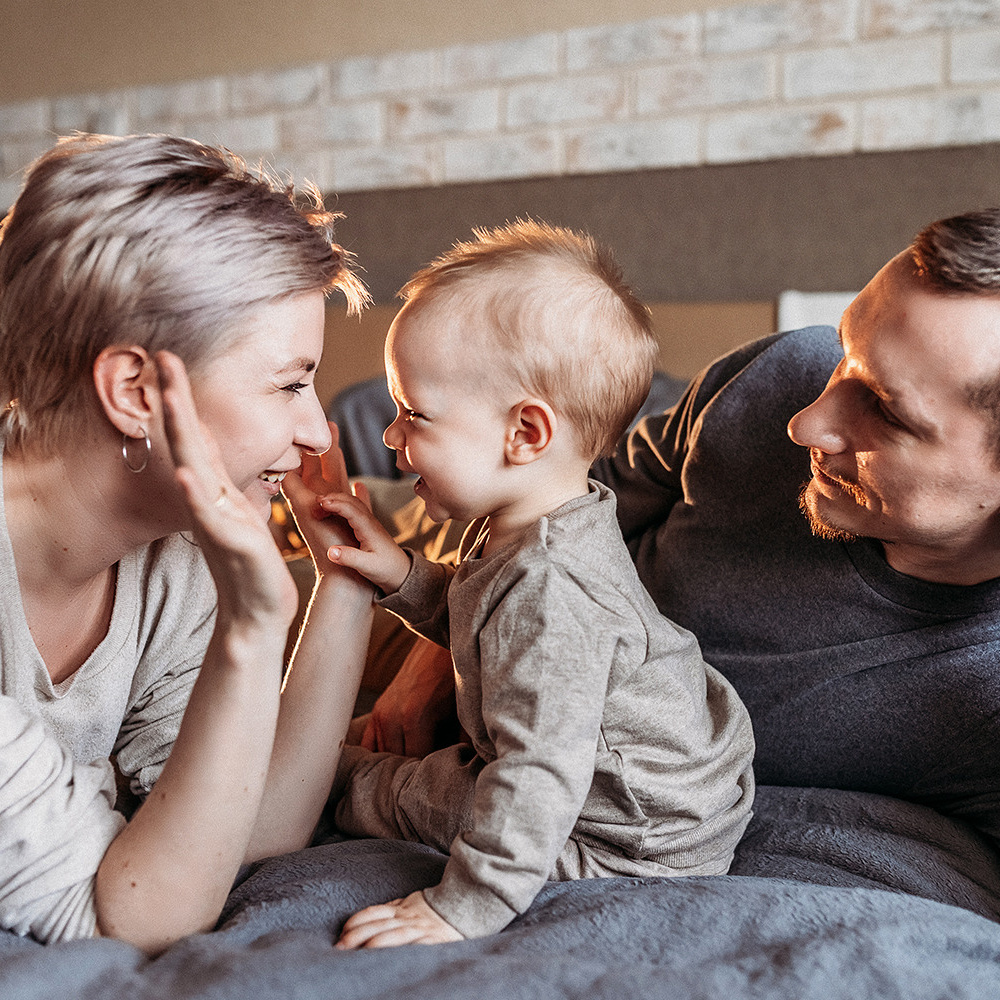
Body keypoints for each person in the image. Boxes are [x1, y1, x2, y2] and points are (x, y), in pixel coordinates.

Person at [359, 208, 1000, 854]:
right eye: (846, 353)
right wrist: (435, 660)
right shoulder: (778, 378)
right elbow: (542, 482)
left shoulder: (979, 698)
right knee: (334, 545)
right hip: (469, 577)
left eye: (886, 412)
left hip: (541, 706)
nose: (804, 423)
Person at [319, 220, 756, 947]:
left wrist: (461, 908)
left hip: (620, 840)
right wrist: (403, 573)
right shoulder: (541, 521)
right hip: (628, 796)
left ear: (525, 434)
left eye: (413, 414)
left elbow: (537, 774)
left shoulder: (554, 591)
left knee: (399, 788)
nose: (391, 437)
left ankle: (329, 782)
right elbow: (483, 617)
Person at [0, 133, 375, 952]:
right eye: (289, 384)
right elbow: (131, 916)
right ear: (135, 391)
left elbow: (248, 828)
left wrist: (343, 580)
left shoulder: (173, 566)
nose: (319, 433)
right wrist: (252, 625)